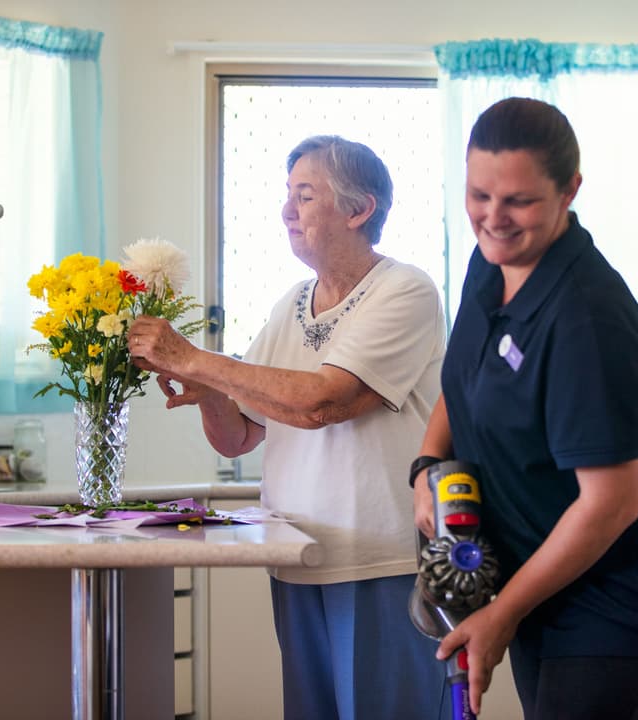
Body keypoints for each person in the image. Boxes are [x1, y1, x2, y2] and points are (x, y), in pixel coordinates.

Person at [127, 135, 449, 719]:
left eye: (304, 195)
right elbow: (239, 436)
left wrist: (195, 360)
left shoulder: (406, 289)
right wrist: (210, 394)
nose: (286, 211)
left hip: (380, 560)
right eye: (288, 194)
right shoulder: (292, 303)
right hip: (299, 556)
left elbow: (325, 403)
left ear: (358, 210)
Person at [411, 98, 638, 719]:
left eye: (518, 200)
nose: (493, 218)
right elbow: (464, 377)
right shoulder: (489, 264)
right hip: (537, 578)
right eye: (478, 195)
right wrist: (426, 466)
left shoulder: (584, 315)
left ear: (570, 189)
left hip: (612, 593)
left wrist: (503, 612)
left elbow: (611, 503)